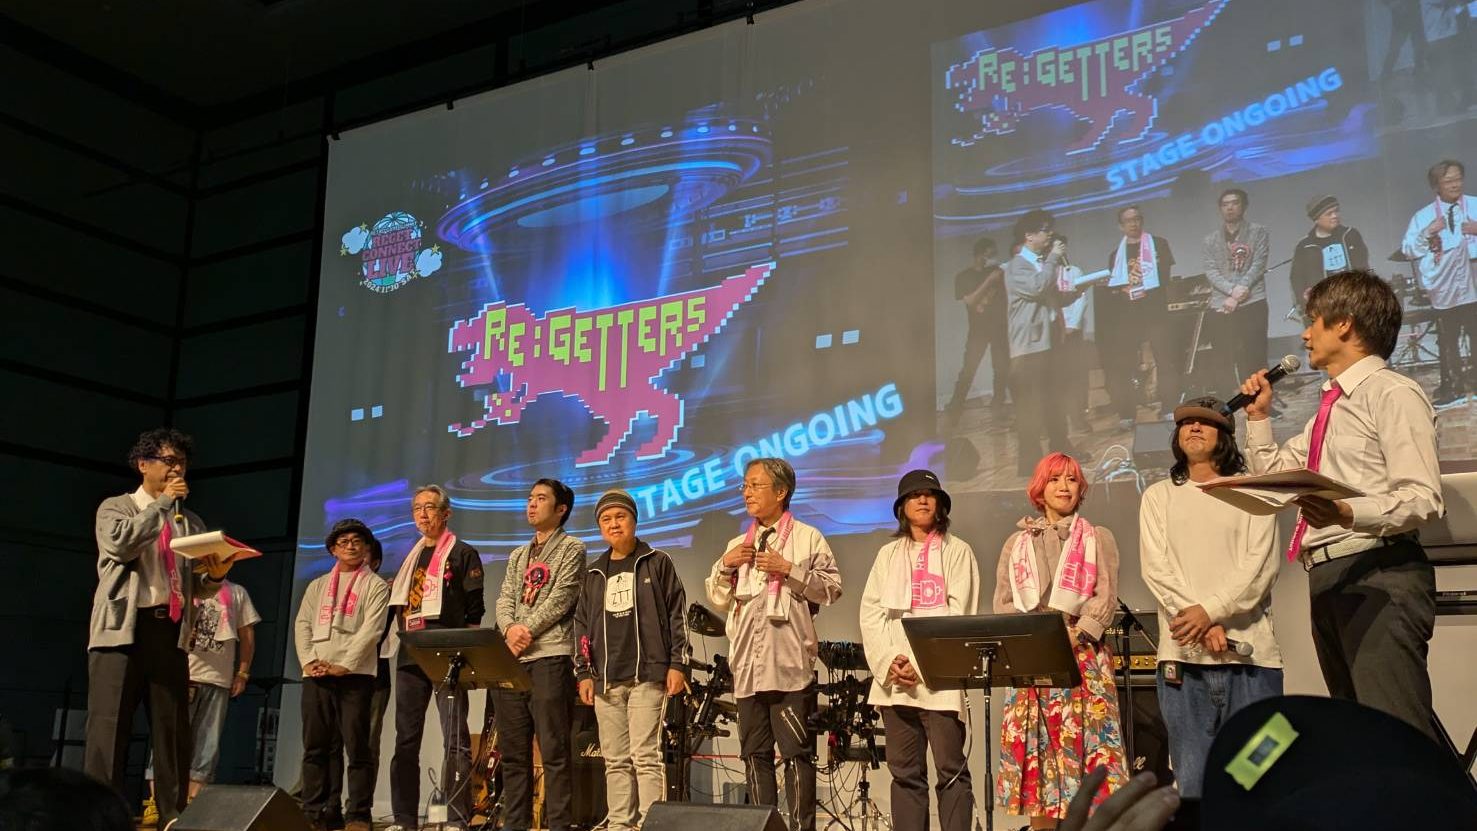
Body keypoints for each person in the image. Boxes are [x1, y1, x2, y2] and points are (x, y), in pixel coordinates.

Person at [1239, 269, 1443, 741]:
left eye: (1312, 321)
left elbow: (1423, 497)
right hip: (1329, 575)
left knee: (1395, 736)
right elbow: (1277, 476)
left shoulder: (1392, 393)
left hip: (1378, 573)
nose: (1305, 335)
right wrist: (1259, 418)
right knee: (1358, 739)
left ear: (1345, 324)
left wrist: (1347, 513)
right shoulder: (1329, 412)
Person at [85, 428, 231, 828]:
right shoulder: (117, 507)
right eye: (168, 461)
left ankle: (173, 816)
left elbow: (195, 584)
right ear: (143, 464)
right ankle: (100, 818)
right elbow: (121, 545)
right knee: (108, 730)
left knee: (172, 731)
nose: (177, 469)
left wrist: (217, 575)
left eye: (181, 462)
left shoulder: (189, 520)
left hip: (169, 631)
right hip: (122, 631)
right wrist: (163, 504)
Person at [1138, 397, 1282, 798]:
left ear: (1226, 436)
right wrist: (1200, 623)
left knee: (1258, 781)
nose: (1194, 428)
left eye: (1205, 422)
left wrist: (1211, 611)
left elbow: (1261, 567)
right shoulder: (1157, 497)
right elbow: (1156, 569)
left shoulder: (1253, 492)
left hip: (1253, 661)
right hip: (1183, 663)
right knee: (1193, 785)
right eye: (1186, 423)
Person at [706, 458, 842, 831]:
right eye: (745, 486)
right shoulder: (738, 544)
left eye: (755, 485)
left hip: (789, 666)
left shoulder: (808, 537)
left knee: (796, 755)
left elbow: (832, 589)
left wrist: (789, 570)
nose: (747, 492)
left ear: (781, 492)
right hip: (747, 668)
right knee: (754, 755)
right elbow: (718, 597)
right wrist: (725, 566)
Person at [993, 452, 1127, 828]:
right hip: (1033, 662)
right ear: (1040, 489)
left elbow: (1105, 595)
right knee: (1039, 766)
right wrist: (1039, 638)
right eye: (1054, 479)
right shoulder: (1017, 543)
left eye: (1071, 479)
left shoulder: (1097, 537)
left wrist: (1077, 633)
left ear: (1080, 489)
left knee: (1087, 766)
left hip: (1081, 659)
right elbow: (1004, 603)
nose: (1064, 486)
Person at [858, 469, 979, 831]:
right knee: (905, 774)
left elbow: (959, 615)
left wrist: (919, 664)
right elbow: (871, 614)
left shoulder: (958, 551)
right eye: (914, 495)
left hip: (939, 681)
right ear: (902, 507)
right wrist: (889, 661)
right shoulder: (888, 554)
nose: (923, 500)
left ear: (940, 504)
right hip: (896, 683)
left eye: (930, 494)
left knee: (950, 770)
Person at [573, 489, 688, 831]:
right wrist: (583, 672)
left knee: (646, 757)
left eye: (620, 516)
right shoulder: (594, 573)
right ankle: (620, 825)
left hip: (647, 675)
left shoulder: (657, 561)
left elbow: (677, 614)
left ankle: (650, 825)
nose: (614, 524)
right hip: (606, 679)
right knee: (615, 761)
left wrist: (678, 664)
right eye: (606, 519)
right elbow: (581, 626)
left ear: (634, 521)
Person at [385, 485, 486, 831]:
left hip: (448, 653)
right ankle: (404, 819)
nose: (423, 514)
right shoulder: (410, 557)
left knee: (455, 738)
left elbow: (474, 610)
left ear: (446, 513)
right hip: (411, 652)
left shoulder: (462, 552)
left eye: (430, 507)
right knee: (405, 738)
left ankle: (456, 817)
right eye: (417, 508)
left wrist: (464, 652)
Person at [494, 479, 587, 831]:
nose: (532, 504)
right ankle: (514, 824)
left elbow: (562, 598)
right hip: (513, 660)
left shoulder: (572, 548)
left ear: (561, 509)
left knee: (554, 752)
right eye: (530, 498)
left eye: (541, 498)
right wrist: (509, 629)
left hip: (550, 657)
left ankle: (559, 825)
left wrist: (526, 631)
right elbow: (505, 598)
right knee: (513, 754)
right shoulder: (518, 555)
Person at [295, 518, 391, 831]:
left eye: (357, 541)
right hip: (317, 675)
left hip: (356, 676)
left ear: (366, 548)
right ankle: (316, 812)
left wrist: (345, 664)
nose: (350, 546)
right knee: (316, 747)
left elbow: (372, 630)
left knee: (358, 748)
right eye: (344, 542)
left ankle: (358, 815)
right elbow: (302, 624)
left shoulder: (375, 585)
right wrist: (309, 661)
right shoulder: (317, 585)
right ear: (333, 550)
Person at [1005, 209, 1079, 475]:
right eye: (1045, 230)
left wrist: (1079, 289)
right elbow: (1037, 288)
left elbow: (1050, 296)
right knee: (1030, 409)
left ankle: (1061, 452)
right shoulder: (1017, 266)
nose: (1050, 235)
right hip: (1028, 350)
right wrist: (1054, 258)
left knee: (1053, 402)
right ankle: (1030, 464)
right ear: (1029, 236)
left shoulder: (1040, 263)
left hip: (1048, 345)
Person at [1401, 159, 1477, 406]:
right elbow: (1408, 249)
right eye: (1448, 181)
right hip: (1445, 289)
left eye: (1458, 179)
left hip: (1474, 284)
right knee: (1448, 340)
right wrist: (1428, 232)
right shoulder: (1423, 216)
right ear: (1436, 186)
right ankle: (1452, 388)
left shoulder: (1475, 205)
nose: (1455, 185)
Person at [1100, 205, 1182, 428]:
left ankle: (1169, 407)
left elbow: (1165, 277)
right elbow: (1114, 287)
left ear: (1142, 220)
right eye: (1128, 220)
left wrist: (1147, 289)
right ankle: (1127, 413)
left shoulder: (1159, 244)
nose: (1133, 223)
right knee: (1125, 364)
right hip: (1128, 316)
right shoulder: (1115, 255)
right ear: (1121, 226)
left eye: (1136, 219)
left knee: (1165, 360)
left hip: (1155, 312)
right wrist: (1123, 289)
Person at [1202, 188, 1270, 388]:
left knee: (1255, 353)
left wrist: (1240, 291)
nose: (1230, 208)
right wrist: (1232, 291)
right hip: (1222, 303)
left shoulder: (1258, 232)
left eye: (1235, 203)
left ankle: (1260, 396)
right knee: (1224, 354)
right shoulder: (1210, 240)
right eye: (1225, 204)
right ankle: (1232, 397)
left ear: (1244, 206)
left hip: (1253, 300)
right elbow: (1211, 270)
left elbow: (1259, 264)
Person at [946, 236, 1011, 425]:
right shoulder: (964, 277)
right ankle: (955, 409)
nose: (994, 258)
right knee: (968, 369)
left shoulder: (1000, 275)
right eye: (991, 254)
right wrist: (989, 281)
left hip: (1000, 328)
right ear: (981, 255)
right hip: (978, 330)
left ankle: (998, 406)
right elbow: (971, 301)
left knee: (1001, 370)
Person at [1289, 195, 1369, 312]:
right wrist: (1304, 302)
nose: (1335, 216)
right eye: (1329, 213)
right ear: (1316, 219)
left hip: (1355, 301)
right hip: (1325, 307)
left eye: (1336, 211)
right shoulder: (1305, 246)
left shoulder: (1351, 235)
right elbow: (1296, 278)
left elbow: (1363, 266)